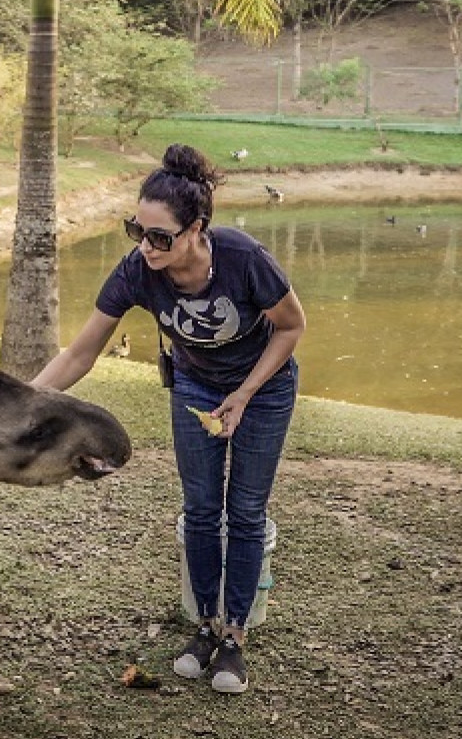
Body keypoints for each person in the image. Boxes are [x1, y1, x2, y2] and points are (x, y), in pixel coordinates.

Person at [31, 144, 305, 694]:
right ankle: (203, 626)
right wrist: (27, 398)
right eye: (138, 231)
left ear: (195, 229)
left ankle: (234, 638)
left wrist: (247, 393)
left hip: (265, 389)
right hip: (195, 386)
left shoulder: (243, 257)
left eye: (160, 236)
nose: (147, 246)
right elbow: (81, 352)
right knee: (201, 509)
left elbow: (291, 327)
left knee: (245, 512)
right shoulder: (137, 271)